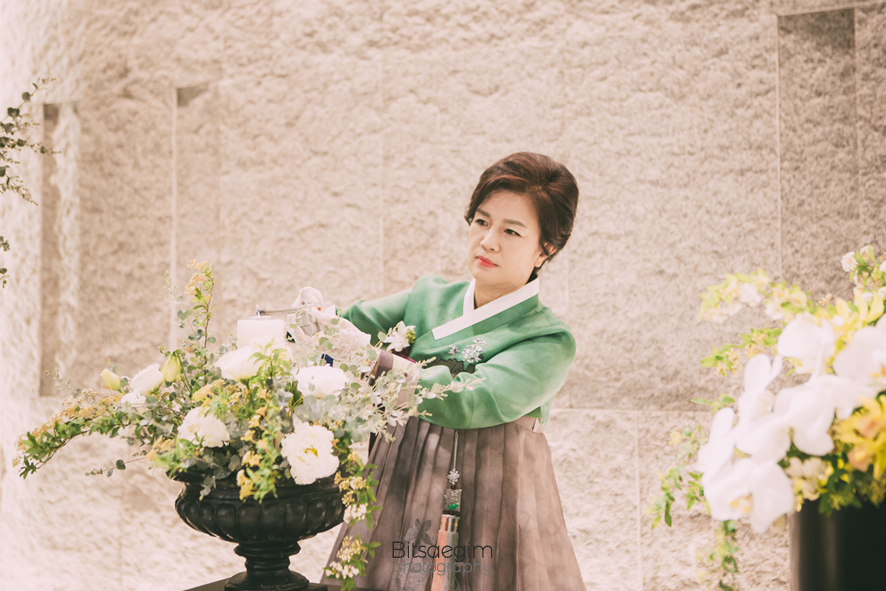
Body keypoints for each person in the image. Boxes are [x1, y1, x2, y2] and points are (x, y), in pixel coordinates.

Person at [320, 152, 585, 590]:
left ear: (546, 248)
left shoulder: (548, 340)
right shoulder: (427, 297)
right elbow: (348, 324)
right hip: (398, 487)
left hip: (493, 508)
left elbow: (467, 401)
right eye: (481, 222)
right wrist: (309, 323)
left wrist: (370, 360)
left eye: (511, 231)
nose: (488, 241)